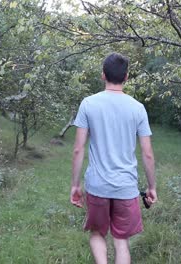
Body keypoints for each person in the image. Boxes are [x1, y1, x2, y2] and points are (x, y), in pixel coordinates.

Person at [70, 52, 157, 264]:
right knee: (121, 240)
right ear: (126, 77)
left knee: (98, 234)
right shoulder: (138, 108)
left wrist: (75, 185)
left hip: (97, 185)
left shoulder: (88, 104)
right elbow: (147, 153)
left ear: (103, 75)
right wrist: (152, 187)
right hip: (125, 187)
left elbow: (78, 149)